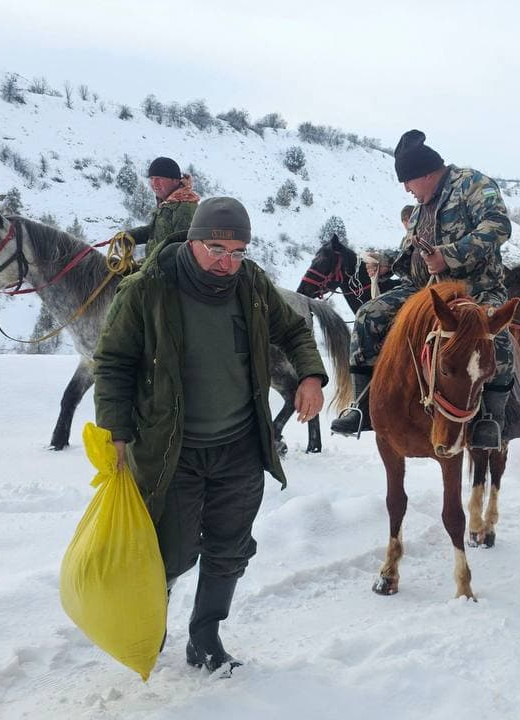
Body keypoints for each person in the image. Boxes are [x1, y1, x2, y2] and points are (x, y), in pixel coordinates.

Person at [93, 197, 328, 671]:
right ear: (194, 240)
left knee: (229, 549)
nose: (228, 262)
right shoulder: (148, 290)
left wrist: (310, 376)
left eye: (238, 251)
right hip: (170, 451)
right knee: (168, 553)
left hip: (239, 447)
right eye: (217, 249)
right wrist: (115, 430)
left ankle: (205, 637)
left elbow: (295, 331)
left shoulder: (251, 283)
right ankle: (147, 624)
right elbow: (113, 362)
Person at [330, 129, 514, 449]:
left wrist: (449, 256)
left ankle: (490, 419)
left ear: (426, 174)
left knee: (496, 337)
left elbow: (498, 226)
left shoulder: (473, 184)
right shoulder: (418, 210)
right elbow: (411, 254)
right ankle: (363, 404)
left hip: (476, 290)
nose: (406, 190)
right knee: (367, 316)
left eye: (408, 182)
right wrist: (387, 263)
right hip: (424, 289)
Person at [127, 156, 200, 260]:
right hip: (154, 265)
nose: (154, 183)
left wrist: (148, 271)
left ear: (175, 180)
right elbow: (153, 232)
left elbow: (182, 251)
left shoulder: (184, 208)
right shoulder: (168, 203)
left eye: (159, 179)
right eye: (152, 178)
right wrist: (129, 236)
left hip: (165, 271)